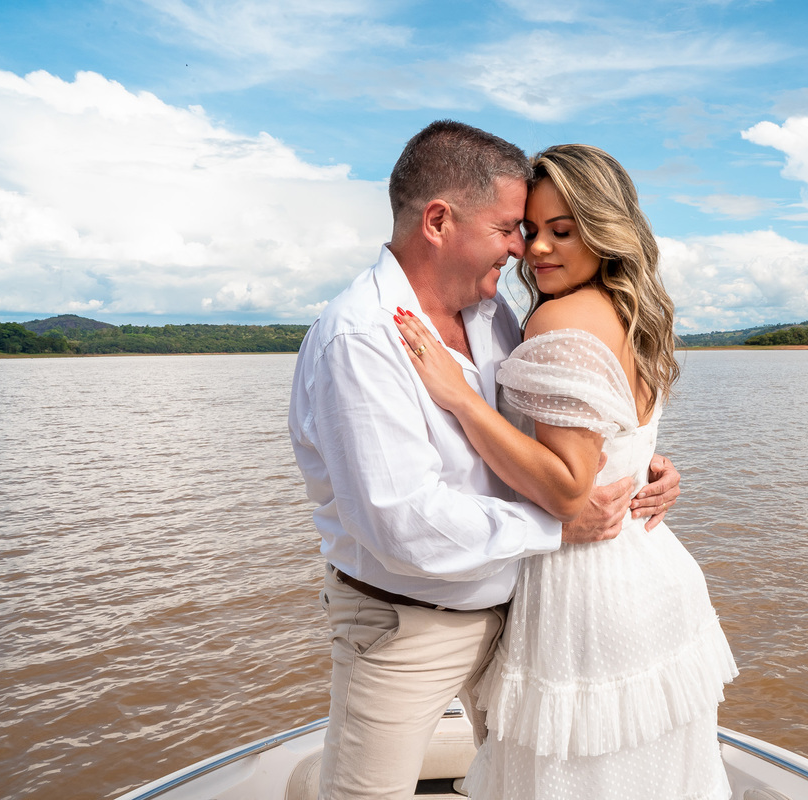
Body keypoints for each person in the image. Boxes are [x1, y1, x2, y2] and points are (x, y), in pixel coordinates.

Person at [287, 121, 682, 800]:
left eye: (532, 230)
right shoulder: (361, 339)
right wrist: (560, 527)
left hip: (527, 615)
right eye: (511, 227)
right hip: (410, 627)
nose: (523, 249)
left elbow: (550, 433)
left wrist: (635, 465)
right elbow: (401, 522)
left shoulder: (495, 314)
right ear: (439, 220)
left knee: (530, 785)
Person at [393, 143, 738, 800]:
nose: (539, 250)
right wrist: (654, 469)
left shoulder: (558, 319)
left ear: (606, 231)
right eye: (529, 231)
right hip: (651, 568)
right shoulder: (634, 315)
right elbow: (620, 443)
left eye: (562, 230)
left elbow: (569, 485)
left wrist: (459, 395)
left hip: (585, 595)